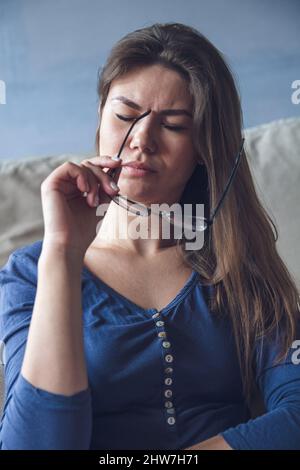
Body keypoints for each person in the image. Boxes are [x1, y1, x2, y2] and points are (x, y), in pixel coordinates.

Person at [0, 22, 300, 451]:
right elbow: (34, 445)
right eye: (125, 115)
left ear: (203, 148)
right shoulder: (30, 274)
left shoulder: (240, 262)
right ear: (101, 121)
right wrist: (63, 254)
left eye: (174, 125)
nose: (142, 139)